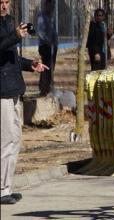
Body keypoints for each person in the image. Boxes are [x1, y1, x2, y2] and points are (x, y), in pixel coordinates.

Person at [1, 0, 48, 205]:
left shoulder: (10, 21)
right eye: (0, 2)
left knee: (15, 138)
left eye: (7, 1)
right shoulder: (10, 28)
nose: (4, 6)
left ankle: (7, 186)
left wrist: (31, 65)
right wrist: (15, 36)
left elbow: (11, 57)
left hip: (14, 88)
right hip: (1, 92)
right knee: (5, 140)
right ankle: (2, 190)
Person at [37, 0, 58, 96]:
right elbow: (41, 33)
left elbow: (53, 31)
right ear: (46, 5)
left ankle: (48, 86)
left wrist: (55, 43)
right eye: (50, 5)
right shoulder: (41, 16)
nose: (52, 7)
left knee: (51, 67)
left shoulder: (52, 16)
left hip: (53, 46)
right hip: (45, 46)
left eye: (53, 5)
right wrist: (48, 42)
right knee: (46, 67)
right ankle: (43, 88)